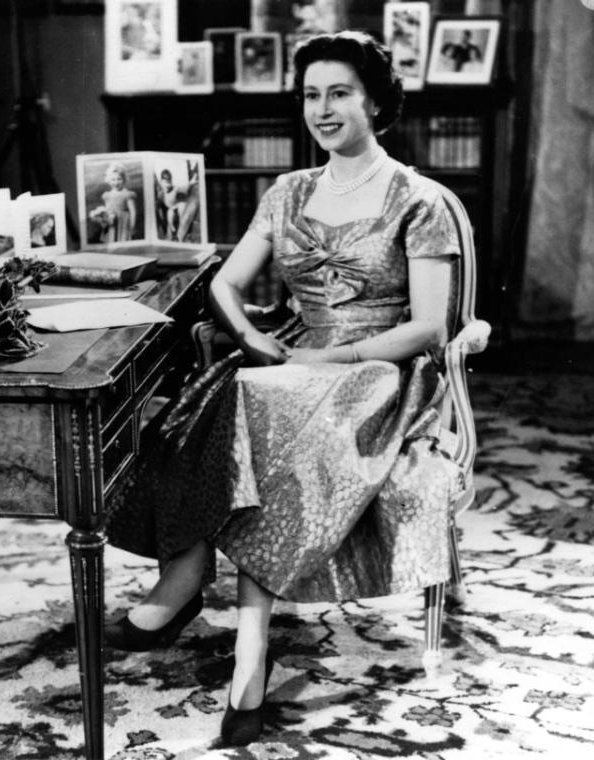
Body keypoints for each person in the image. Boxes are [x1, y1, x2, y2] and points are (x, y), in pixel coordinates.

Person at [103, 30, 464, 748]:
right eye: (310, 95)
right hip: (290, 365)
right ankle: (189, 572)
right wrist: (251, 337)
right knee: (209, 403)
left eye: (339, 93)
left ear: (375, 103)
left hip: (377, 374)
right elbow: (226, 286)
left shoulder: (418, 201)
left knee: (263, 405)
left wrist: (339, 357)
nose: (322, 109)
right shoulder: (288, 191)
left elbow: (428, 327)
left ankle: (248, 655)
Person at [95, 161, 137, 243]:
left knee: (123, 241)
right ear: (109, 181)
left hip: (123, 222)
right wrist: (104, 220)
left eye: (119, 179)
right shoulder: (107, 195)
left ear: (124, 180)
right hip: (112, 222)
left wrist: (132, 226)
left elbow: (133, 212)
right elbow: (107, 210)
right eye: (113, 180)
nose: (116, 182)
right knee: (111, 239)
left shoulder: (127, 194)